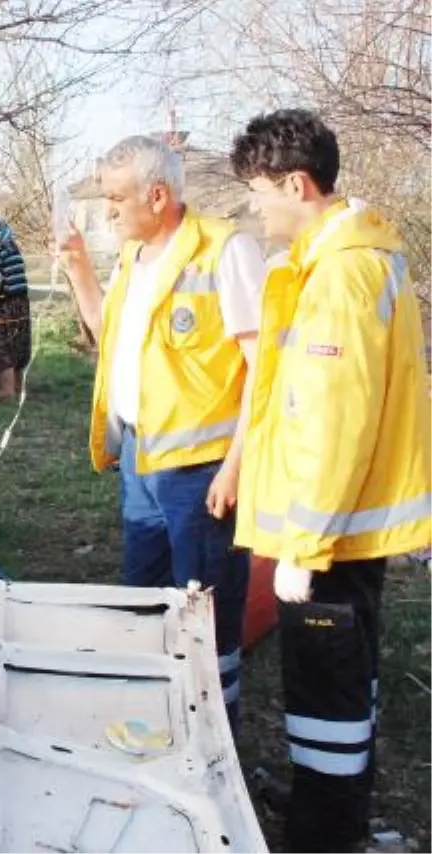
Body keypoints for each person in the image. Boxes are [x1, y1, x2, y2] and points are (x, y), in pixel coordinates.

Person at [230, 109, 432, 854]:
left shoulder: (342, 275)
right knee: (345, 683)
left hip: (332, 536)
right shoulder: (348, 258)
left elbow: (333, 423)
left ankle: (325, 831)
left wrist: (304, 548)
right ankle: (329, 801)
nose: (256, 205)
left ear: (296, 182)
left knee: (327, 691)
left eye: (259, 190)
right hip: (348, 525)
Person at [57, 134, 266, 728]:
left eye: (117, 198)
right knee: (143, 595)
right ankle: (151, 713)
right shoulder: (132, 257)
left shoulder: (226, 252)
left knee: (204, 607)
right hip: (140, 460)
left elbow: (263, 370)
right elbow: (109, 337)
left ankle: (213, 734)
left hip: (202, 470)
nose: (108, 211)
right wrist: (77, 268)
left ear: (157, 194)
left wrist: (236, 465)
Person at [0, 218, 32, 401]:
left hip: (8, 304)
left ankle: (6, 389)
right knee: (19, 343)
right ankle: (18, 385)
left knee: (2, 346)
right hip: (22, 301)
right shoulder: (13, 247)